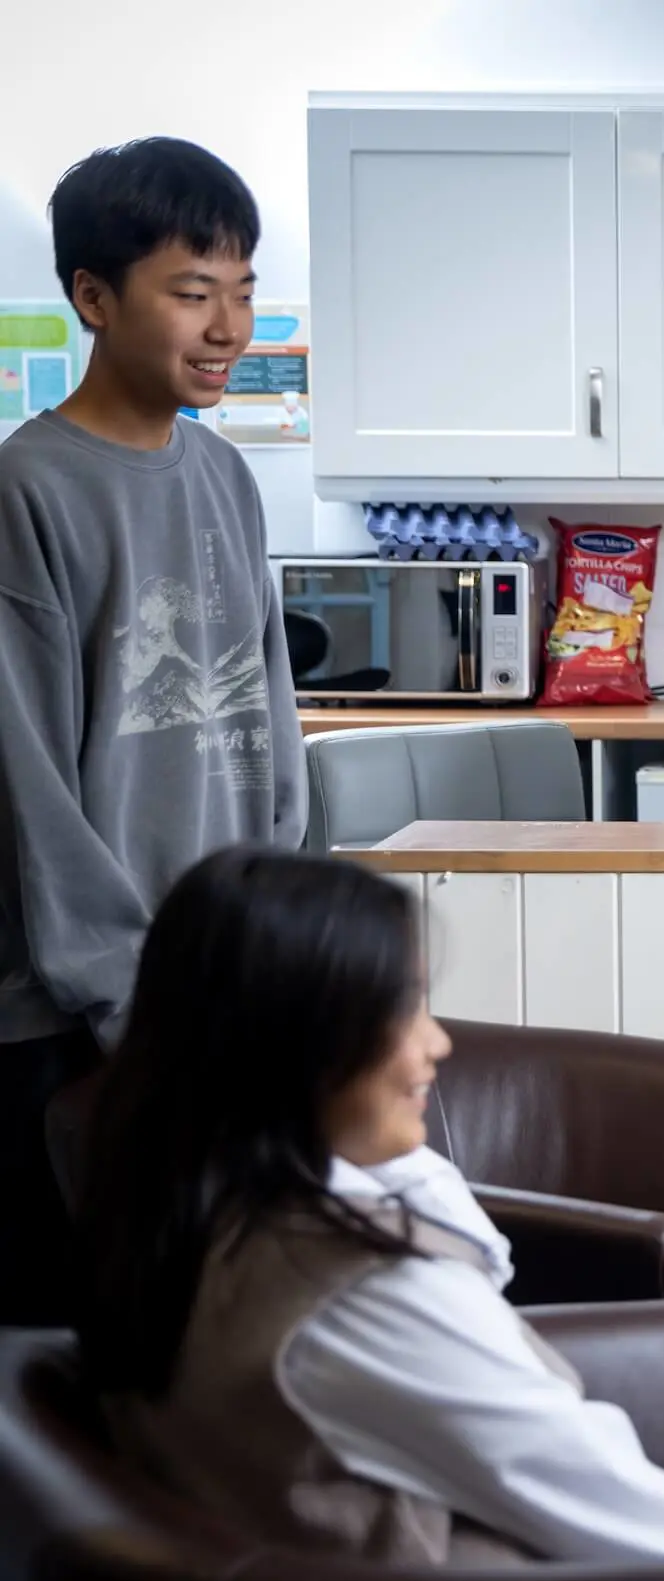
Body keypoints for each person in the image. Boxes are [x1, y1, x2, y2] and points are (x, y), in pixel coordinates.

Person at [76, 847, 664, 1563]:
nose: (437, 1042)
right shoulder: (364, 1294)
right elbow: (627, 1518)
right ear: (297, 1046)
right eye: (405, 1009)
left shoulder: (187, 1212)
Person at [0, 139, 305, 1328]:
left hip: (210, 1001)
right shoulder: (28, 492)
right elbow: (26, 782)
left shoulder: (225, 475)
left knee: (199, 1348)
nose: (228, 324)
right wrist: (135, 1007)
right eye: (192, 292)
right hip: (73, 1023)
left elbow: (268, 725)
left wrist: (268, 954)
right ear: (92, 296)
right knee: (63, 1366)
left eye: (243, 288)